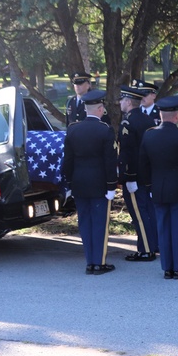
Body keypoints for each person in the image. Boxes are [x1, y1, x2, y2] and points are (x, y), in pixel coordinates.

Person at [138, 96, 178, 280]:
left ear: (160, 115)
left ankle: (167, 268)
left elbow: (143, 165)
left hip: (158, 189)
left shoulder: (149, 135)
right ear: (176, 116)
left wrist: (149, 186)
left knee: (163, 228)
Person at [61, 89, 118, 275]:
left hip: (79, 183)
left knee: (85, 222)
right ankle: (99, 263)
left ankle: (89, 262)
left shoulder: (73, 129)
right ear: (100, 109)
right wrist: (111, 185)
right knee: (99, 223)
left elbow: (67, 161)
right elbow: (110, 161)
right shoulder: (105, 130)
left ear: (86, 109)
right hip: (100, 184)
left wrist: (69, 183)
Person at [118, 84, 159, 262]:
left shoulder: (128, 121)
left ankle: (146, 250)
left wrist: (129, 177)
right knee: (148, 211)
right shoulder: (148, 120)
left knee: (140, 215)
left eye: (122, 99)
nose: (120, 102)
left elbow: (127, 152)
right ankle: (153, 244)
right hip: (148, 174)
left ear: (128, 101)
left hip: (135, 176)